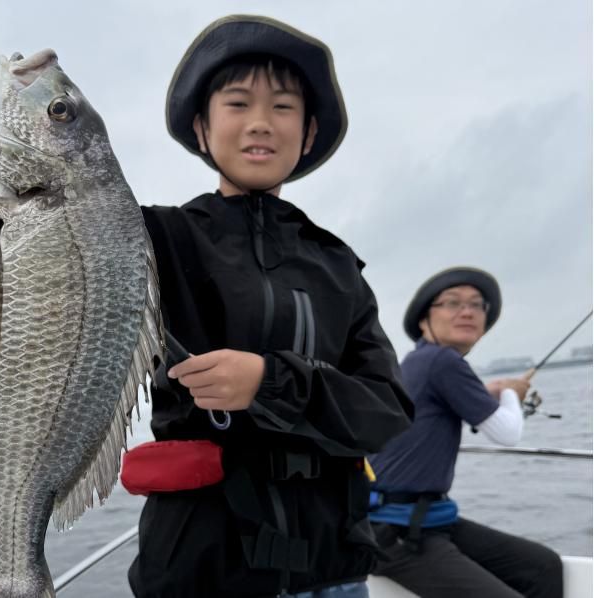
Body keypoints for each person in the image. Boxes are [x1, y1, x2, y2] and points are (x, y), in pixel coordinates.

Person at [125, 15, 414, 598]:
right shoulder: (154, 239)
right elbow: (27, 250)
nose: (261, 123)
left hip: (333, 575)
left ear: (307, 135)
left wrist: (270, 381)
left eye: (283, 107)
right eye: (237, 103)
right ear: (202, 128)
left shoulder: (338, 266)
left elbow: (387, 411)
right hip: (200, 575)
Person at [368, 267, 564, 598]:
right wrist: (511, 394)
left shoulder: (423, 362)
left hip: (425, 519)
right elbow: (506, 433)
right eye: (452, 302)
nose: (467, 311)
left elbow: (438, 405)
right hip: (395, 532)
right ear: (423, 320)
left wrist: (495, 391)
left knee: (542, 565)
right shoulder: (443, 362)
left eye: (477, 305)